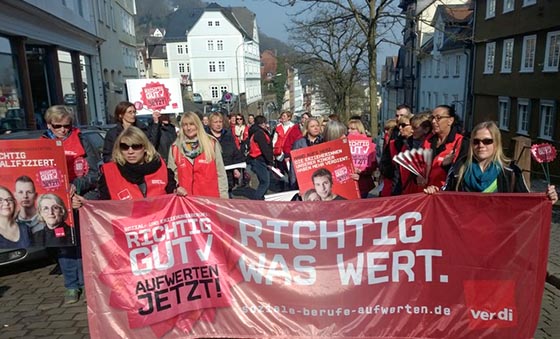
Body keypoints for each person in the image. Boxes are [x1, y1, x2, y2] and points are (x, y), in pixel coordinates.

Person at [42, 105, 100, 304]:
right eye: (58, 126)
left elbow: (95, 173)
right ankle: (71, 285)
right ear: (49, 125)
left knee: (84, 244)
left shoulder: (82, 140)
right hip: (57, 203)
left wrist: (77, 186)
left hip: (81, 199)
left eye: (67, 126)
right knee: (64, 246)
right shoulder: (41, 144)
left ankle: (87, 283)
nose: (63, 130)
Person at [424, 121, 558, 203]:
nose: (481, 145)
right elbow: (444, 196)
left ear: (496, 143)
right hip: (466, 235)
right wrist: (434, 191)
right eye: (476, 141)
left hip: (500, 237)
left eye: (487, 141)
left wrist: (546, 198)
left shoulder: (510, 171)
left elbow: (527, 202)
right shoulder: (459, 168)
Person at [98, 126, 176, 200]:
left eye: (136, 146)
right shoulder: (109, 173)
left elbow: (173, 198)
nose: (130, 151)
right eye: (124, 147)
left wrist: (178, 192)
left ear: (145, 148)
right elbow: (103, 207)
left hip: (158, 213)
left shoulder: (161, 168)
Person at [169, 112, 229, 198]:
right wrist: (176, 188)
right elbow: (172, 177)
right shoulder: (175, 148)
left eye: (192, 124)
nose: (189, 128)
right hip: (187, 201)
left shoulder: (211, 144)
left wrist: (224, 199)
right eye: (185, 125)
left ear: (198, 125)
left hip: (210, 200)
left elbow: (221, 174)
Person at [422, 105, 468, 188]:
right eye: (432, 118)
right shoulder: (428, 140)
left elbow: (459, 172)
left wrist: (444, 165)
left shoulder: (460, 142)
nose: (433, 121)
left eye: (438, 118)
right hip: (426, 192)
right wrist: (417, 176)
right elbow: (420, 164)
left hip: (444, 194)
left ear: (450, 120)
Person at [206, 112, 245, 196]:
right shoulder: (206, 138)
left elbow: (235, 153)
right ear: (210, 123)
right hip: (211, 176)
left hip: (227, 176)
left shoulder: (228, 135)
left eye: (220, 122)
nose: (218, 124)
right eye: (215, 122)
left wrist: (236, 168)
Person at [290, 117, 324, 189]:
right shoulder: (299, 143)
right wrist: (293, 184)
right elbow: (294, 165)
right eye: (312, 126)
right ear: (307, 129)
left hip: (321, 178)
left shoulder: (324, 141)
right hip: (305, 179)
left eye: (317, 125)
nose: (316, 128)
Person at [348, 119, 377, 198]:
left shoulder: (369, 144)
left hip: (364, 184)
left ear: (359, 130)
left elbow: (373, 165)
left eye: (353, 129)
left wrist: (362, 171)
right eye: (348, 128)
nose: (349, 131)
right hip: (350, 184)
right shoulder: (345, 144)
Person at [247, 115, 274, 200]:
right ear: (262, 123)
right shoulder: (260, 133)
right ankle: (257, 200)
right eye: (265, 123)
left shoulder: (256, 132)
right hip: (259, 159)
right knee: (265, 182)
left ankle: (260, 198)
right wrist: (270, 161)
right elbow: (264, 148)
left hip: (258, 159)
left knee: (264, 181)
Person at [272, 111, 303, 183]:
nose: (282, 118)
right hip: (279, 151)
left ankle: (291, 184)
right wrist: (273, 150)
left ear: (289, 118)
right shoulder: (278, 127)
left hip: (288, 151)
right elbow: (274, 140)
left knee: (289, 170)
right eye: (282, 116)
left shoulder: (293, 127)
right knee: (280, 170)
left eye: (284, 116)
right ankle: (281, 185)